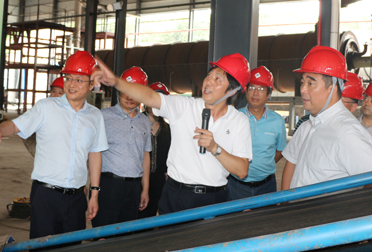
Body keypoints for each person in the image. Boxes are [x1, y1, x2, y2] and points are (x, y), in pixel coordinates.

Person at [93, 53, 253, 214]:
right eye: (209, 75)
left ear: (233, 91)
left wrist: (215, 148)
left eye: (218, 79)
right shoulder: (185, 106)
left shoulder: (239, 121)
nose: (208, 81)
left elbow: (242, 171)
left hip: (212, 199)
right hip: (176, 196)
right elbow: (150, 96)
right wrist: (116, 82)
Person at [0, 51, 107, 239]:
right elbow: (16, 125)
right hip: (46, 196)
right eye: (68, 78)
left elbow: (95, 154)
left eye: (78, 80)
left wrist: (94, 194)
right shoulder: (46, 107)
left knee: (72, 249)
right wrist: (0, 130)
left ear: (91, 84)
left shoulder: (95, 116)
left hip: (77, 198)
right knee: (41, 249)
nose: (71, 84)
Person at [280, 46, 372, 190]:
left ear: (332, 89)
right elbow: (292, 165)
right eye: (302, 82)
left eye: (310, 83)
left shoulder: (346, 133)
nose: (303, 90)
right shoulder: (310, 125)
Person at [93, 67, 152, 227]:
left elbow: (145, 156)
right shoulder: (103, 117)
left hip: (134, 187)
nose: (129, 97)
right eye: (126, 90)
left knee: (126, 234)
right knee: (104, 232)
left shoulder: (145, 121)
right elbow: (92, 153)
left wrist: (145, 189)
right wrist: (93, 190)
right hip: (109, 185)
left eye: (135, 92)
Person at [228, 66, 287, 200]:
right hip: (236, 185)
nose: (255, 93)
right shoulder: (233, 117)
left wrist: (264, 164)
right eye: (252, 88)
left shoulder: (277, 121)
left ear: (268, 94)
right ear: (245, 91)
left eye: (261, 89)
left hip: (266, 186)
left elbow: (280, 150)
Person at [138, 82, 172, 218]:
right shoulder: (136, 123)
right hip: (136, 178)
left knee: (151, 216)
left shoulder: (168, 129)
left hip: (159, 180)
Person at [23, 76, 66, 157]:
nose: (56, 95)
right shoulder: (43, 107)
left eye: (60, 93)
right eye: (53, 91)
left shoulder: (72, 112)